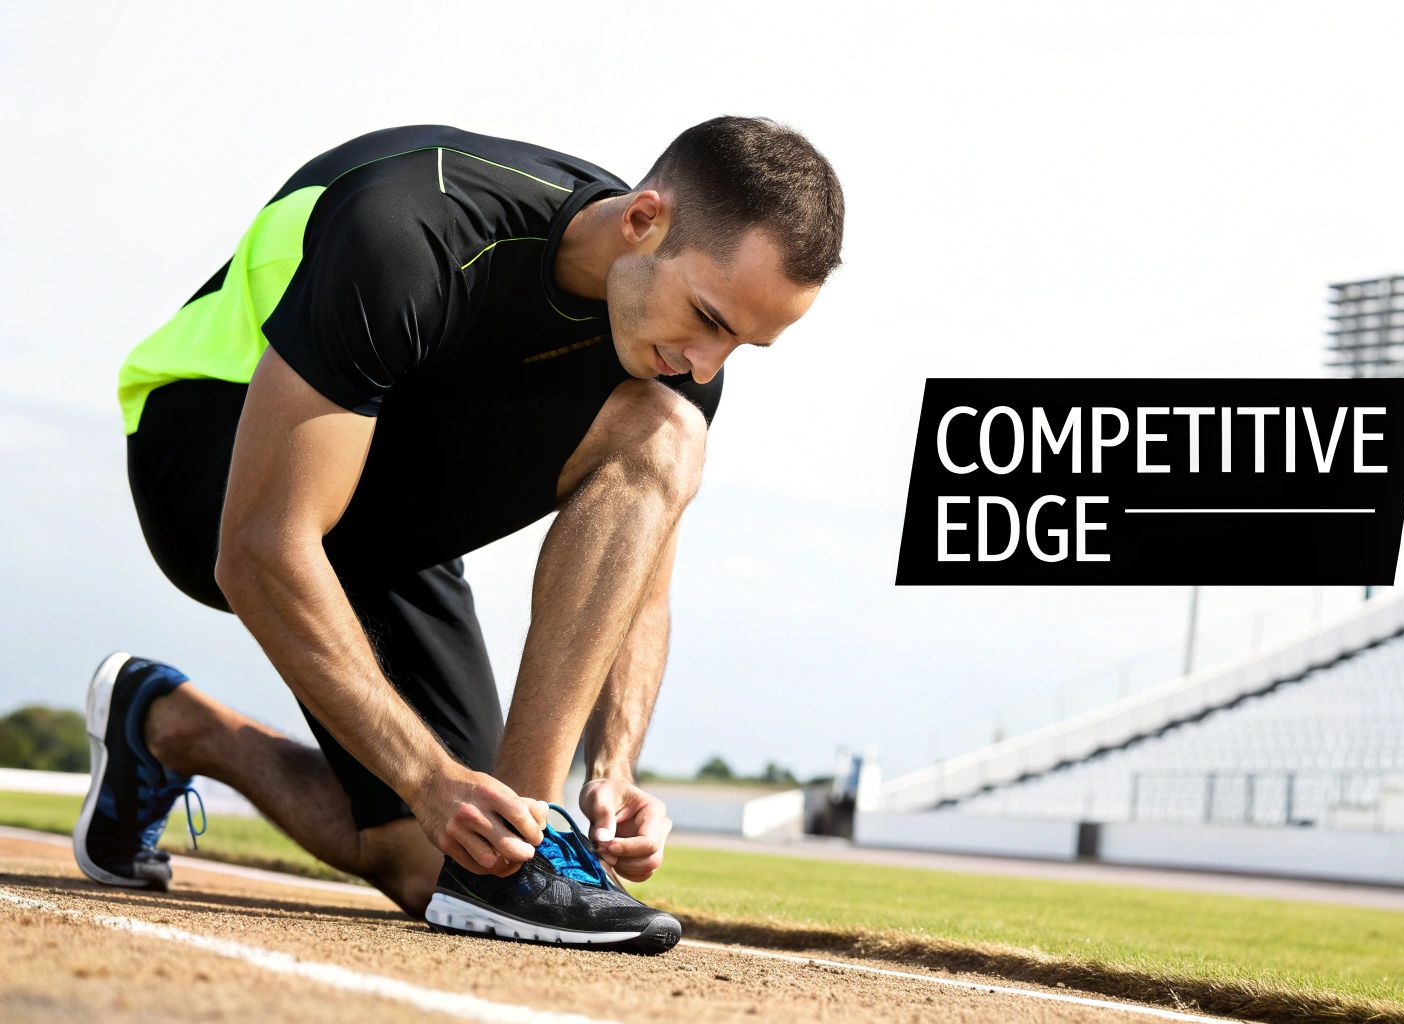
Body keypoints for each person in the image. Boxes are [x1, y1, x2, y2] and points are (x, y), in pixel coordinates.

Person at [75, 119, 844, 953]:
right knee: (663, 431)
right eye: (707, 316)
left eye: (742, 344)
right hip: (210, 460)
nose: (707, 362)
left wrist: (614, 767)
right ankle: (526, 850)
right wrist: (428, 775)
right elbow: (260, 546)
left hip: (388, 497)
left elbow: (642, 584)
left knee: (431, 866)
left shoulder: (674, 361)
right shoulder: (407, 232)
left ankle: (168, 724)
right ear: (642, 221)